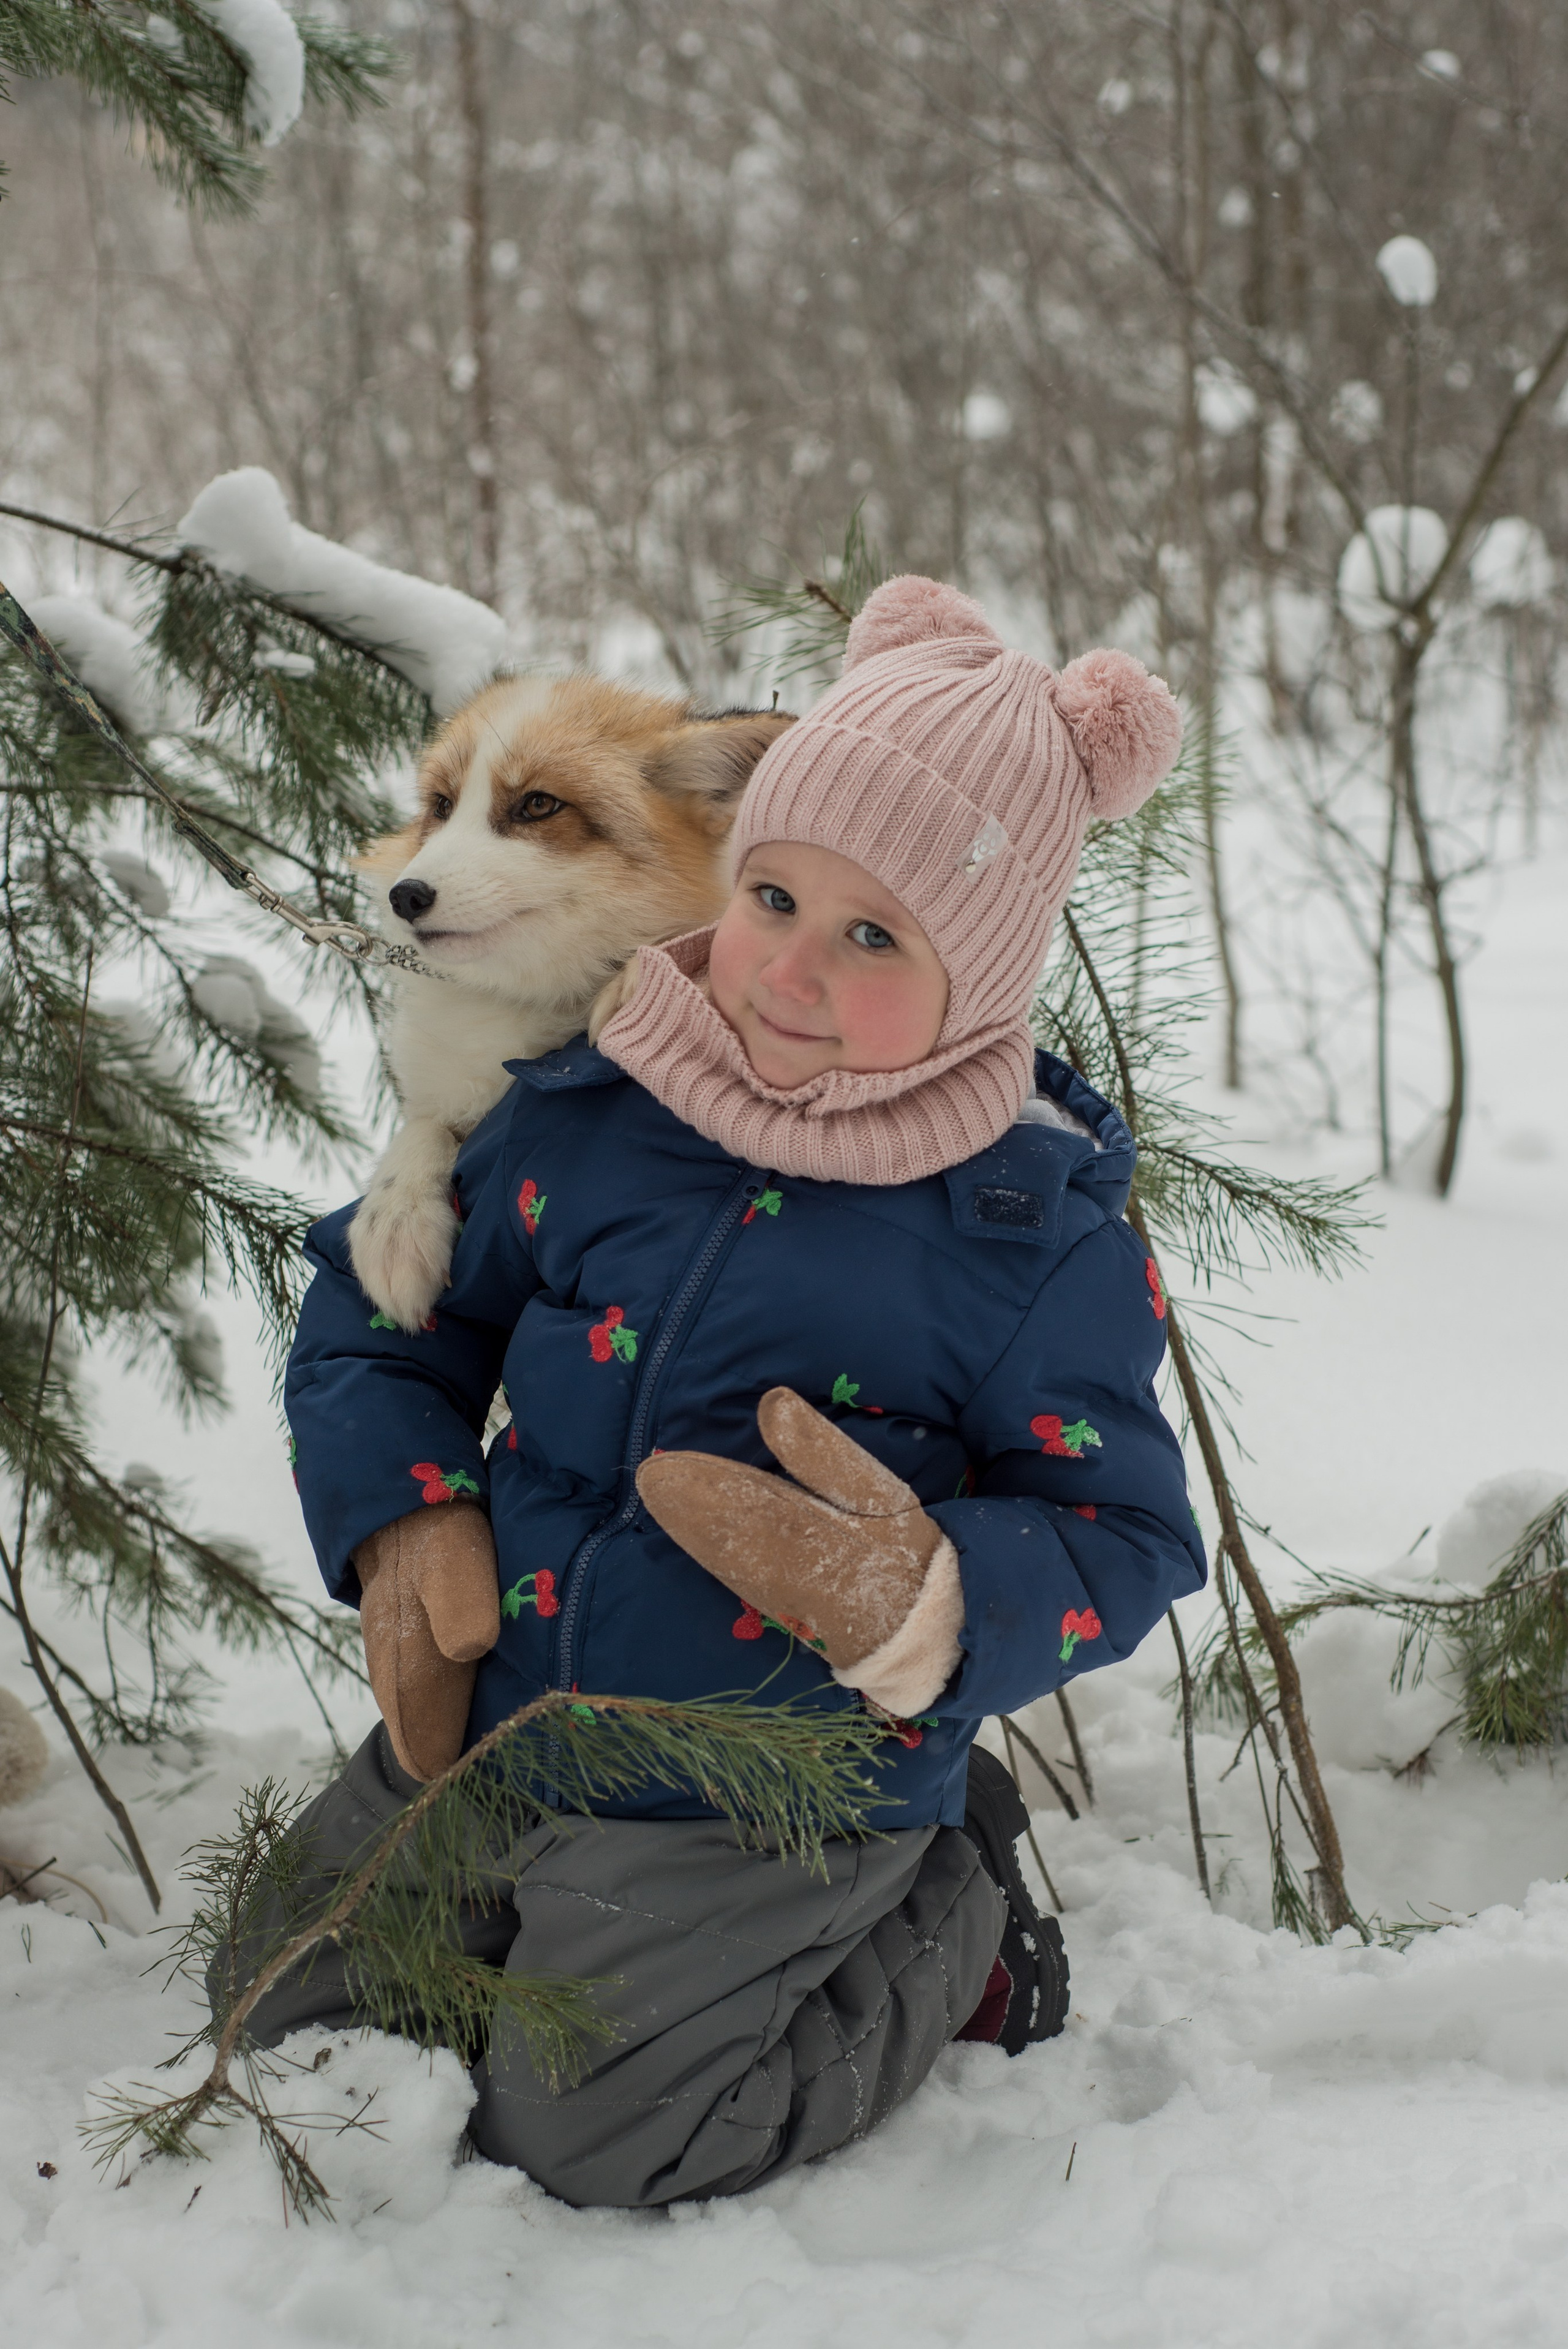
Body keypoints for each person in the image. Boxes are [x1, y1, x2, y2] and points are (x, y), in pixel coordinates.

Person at [260, 575, 1205, 2208]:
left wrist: (928, 1601)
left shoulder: (1026, 1232)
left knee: (605, 2137)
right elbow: (382, 1309)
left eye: (873, 936)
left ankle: (952, 1915)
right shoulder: (599, 1100)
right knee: (291, 2027)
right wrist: (408, 1518)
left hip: (770, 1787)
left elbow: (1123, 1529)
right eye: (772, 896)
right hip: (513, 1717)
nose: (788, 969)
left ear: (978, 966)